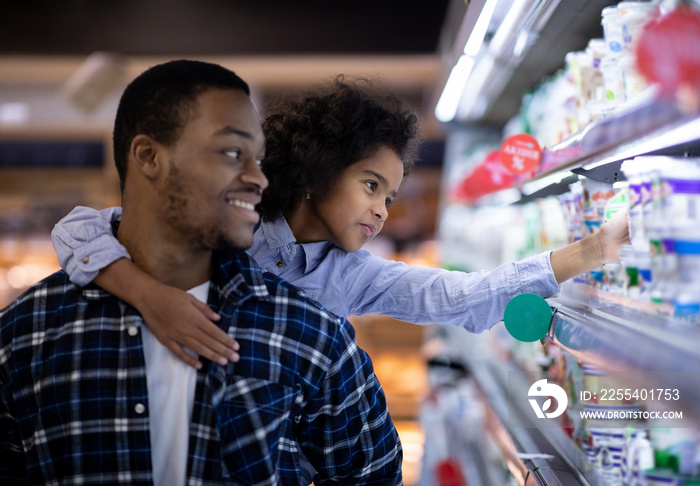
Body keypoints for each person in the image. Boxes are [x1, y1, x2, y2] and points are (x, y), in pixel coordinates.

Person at [50, 75, 630, 370]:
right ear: (318, 172)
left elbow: (454, 296)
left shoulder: (349, 275)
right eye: (370, 185)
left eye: (392, 196)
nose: (382, 209)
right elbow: (78, 229)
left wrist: (587, 252)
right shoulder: (228, 221)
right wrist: (151, 296)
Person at [0, 60, 403, 485]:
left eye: (259, 159)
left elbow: (374, 476)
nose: (258, 178)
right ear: (148, 156)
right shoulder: (25, 335)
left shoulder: (311, 334)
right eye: (232, 153)